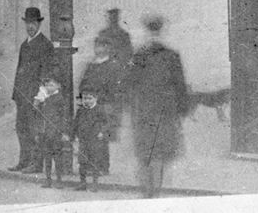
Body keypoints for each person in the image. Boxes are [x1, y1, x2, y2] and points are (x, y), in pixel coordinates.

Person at [124, 15, 190, 198]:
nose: (153, 36)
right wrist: (182, 108)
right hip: (161, 111)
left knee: (148, 153)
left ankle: (150, 193)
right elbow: (180, 85)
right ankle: (153, 193)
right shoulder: (169, 55)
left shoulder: (140, 55)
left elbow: (130, 82)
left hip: (148, 111)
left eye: (153, 33)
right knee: (155, 154)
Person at [9, 6, 55, 173]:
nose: (30, 26)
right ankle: (24, 161)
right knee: (21, 129)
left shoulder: (45, 45)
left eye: (33, 23)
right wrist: (16, 95)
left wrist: (40, 96)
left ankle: (37, 164)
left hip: (36, 97)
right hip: (22, 96)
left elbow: (47, 73)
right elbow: (19, 71)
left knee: (35, 130)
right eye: (28, 23)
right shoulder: (24, 45)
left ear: (39, 24)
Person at [77, 35, 126, 172]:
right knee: (89, 135)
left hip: (104, 106)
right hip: (89, 105)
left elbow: (115, 88)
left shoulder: (113, 66)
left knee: (101, 136)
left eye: (101, 46)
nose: (98, 49)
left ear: (108, 48)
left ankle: (102, 166)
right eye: (96, 46)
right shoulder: (92, 65)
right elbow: (83, 84)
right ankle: (90, 164)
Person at [33, 70, 69, 189]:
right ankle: (48, 180)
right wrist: (37, 104)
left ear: (58, 85)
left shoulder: (59, 99)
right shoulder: (44, 98)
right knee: (47, 157)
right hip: (45, 132)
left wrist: (63, 131)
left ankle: (59, 180)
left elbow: (64, 116)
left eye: (52, 85)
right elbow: (39, 115)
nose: (49, 87)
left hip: (55, 132)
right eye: (47, 85)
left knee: (57, 157)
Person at [72, 90, 109, 191]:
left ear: (95, 99)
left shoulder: (100, 110)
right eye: (85, 98)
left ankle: (95, 183)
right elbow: (76, 123)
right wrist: (74, 135)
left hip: (95, 139)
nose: (87, 101)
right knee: (82, 161)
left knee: (94, 161)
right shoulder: (81, 110)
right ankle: (82, 182)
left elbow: (106, 123)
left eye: (90, 98)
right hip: (83, 139)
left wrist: (102, 132)